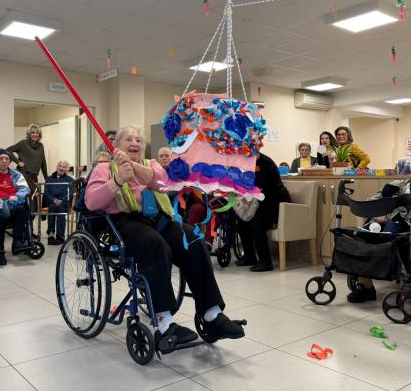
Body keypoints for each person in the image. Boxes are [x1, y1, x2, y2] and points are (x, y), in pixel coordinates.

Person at [85, 126, 246, 348]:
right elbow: (91, 203)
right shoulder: (103, 168)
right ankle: (164, 323)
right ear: (117, 146)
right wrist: (118, 180)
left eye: (138, 140)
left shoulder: (152, 164)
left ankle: (211, 314)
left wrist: (132, 166)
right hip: (123, 222)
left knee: (193, 240)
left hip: (158, 218)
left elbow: (161, 184)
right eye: (128, 139)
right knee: (155, 245)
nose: (135, 143)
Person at [348, 156, 411, 303]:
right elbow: (372, 201)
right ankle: (365, 286)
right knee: (362, 236)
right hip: (385, 225)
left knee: (408, 242)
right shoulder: (396, 185)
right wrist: (380, 210)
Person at [235, 152, 291, 272]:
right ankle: (249, 256)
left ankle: (265, 262)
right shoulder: (246, 162)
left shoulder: (266, 163)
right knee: (242, 221)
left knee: (257, 223)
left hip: (275, 200)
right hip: (259, 201)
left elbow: (262, 185)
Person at [7, 123, 48, 195]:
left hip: (34, 175)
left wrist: (46, 177)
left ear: (39, 134)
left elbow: (43, 162)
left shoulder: (41, 146)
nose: (35, 134)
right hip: (23, 173)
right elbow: (8, 150)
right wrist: (18, 162)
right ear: (29, 134)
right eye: (33, 132)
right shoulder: (23, 143)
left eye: (37, 133)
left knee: (34, 196)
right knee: (27, 195)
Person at [44, 160, 74, 245]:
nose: (61, 168)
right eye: (60, 166)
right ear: (57, 167)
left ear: (66, 169)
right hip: (52, 201)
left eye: (64, 167)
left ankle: (60, 236)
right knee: (52, 207)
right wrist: (54, 200)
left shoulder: (70, 180)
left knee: (60, 208)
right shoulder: (49, 179)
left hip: (63, 202)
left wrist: (62, 200)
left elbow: (70, 193)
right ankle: (51, 234)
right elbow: (46, 193)